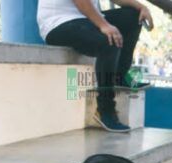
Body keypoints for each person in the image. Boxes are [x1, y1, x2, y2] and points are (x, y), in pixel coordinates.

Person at [39, 0, 154, 132]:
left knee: (133, 17)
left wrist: (142, 7)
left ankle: (119, 77)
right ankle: (105, 110)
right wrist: (104, 25)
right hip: (58, 23)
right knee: (109, 40)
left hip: (85, 20)